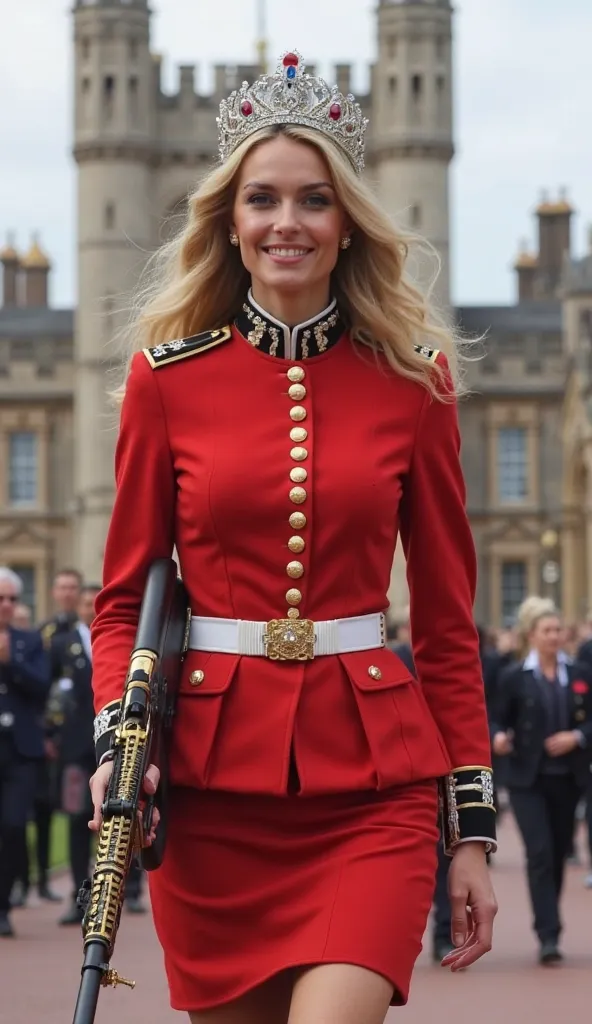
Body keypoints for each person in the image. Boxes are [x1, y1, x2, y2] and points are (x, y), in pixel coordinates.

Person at [88, 52, 497, 1023]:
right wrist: (120, 738)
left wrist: (470, 829)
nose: (286, 223)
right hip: (212, 787)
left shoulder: (416, 382)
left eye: (314, 199)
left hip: (374, 788)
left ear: (347, 218)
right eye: (262, 200)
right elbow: (120, 599)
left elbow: (445, 624)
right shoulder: (165, 379)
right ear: (228, 220)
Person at [493, 602, 592, 964]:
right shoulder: (514, 676)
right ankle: (548, 933)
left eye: (558, 629)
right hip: (526, 779)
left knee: (558, 851)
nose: (554, 636)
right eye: (547, 630)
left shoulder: (580, 672)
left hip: (568, 777)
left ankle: (550, 921)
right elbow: (496, 718)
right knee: (538, 853)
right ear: (531, 635)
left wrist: (577, 737)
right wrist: (498, 737)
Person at [0, 567, 51, 937]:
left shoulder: (30, 640)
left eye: (12, 599)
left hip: (20, 750)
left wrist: (9, 661)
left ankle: (4, 903)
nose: (6, 605)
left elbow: (41, 686)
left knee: (15, 826)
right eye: (0, 598)